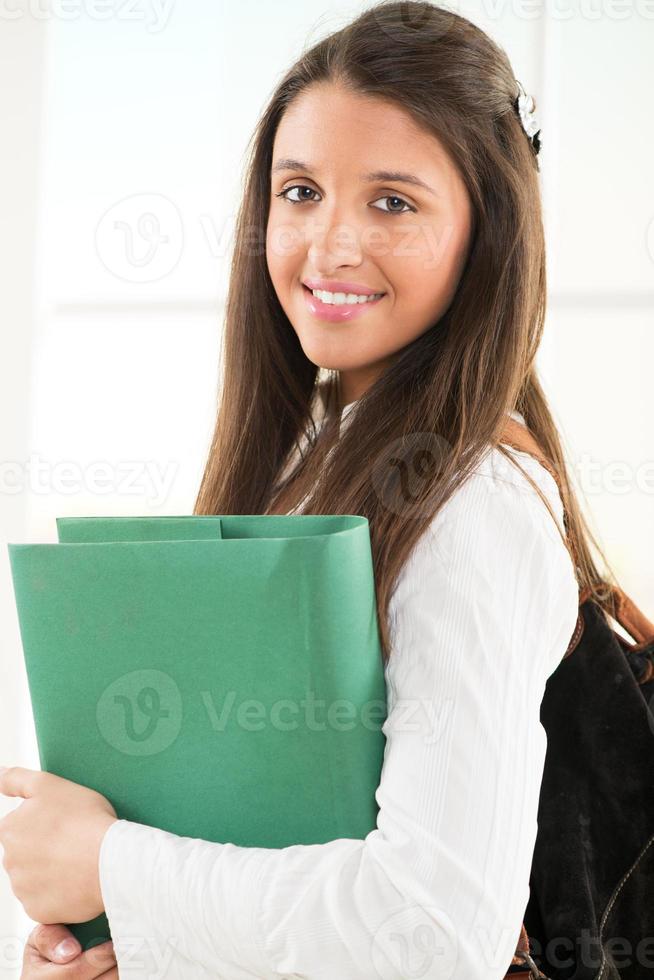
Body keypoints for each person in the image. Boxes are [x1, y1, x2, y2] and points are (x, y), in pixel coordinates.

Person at [18, 1, 618, 977]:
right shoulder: (322, 461)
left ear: (488, 235)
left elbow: (430, 933)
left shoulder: (473, 509)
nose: (329, 245)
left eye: (392, 201)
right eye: (300, 191)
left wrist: (108, 863)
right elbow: (283, 871)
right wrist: (131, 946)